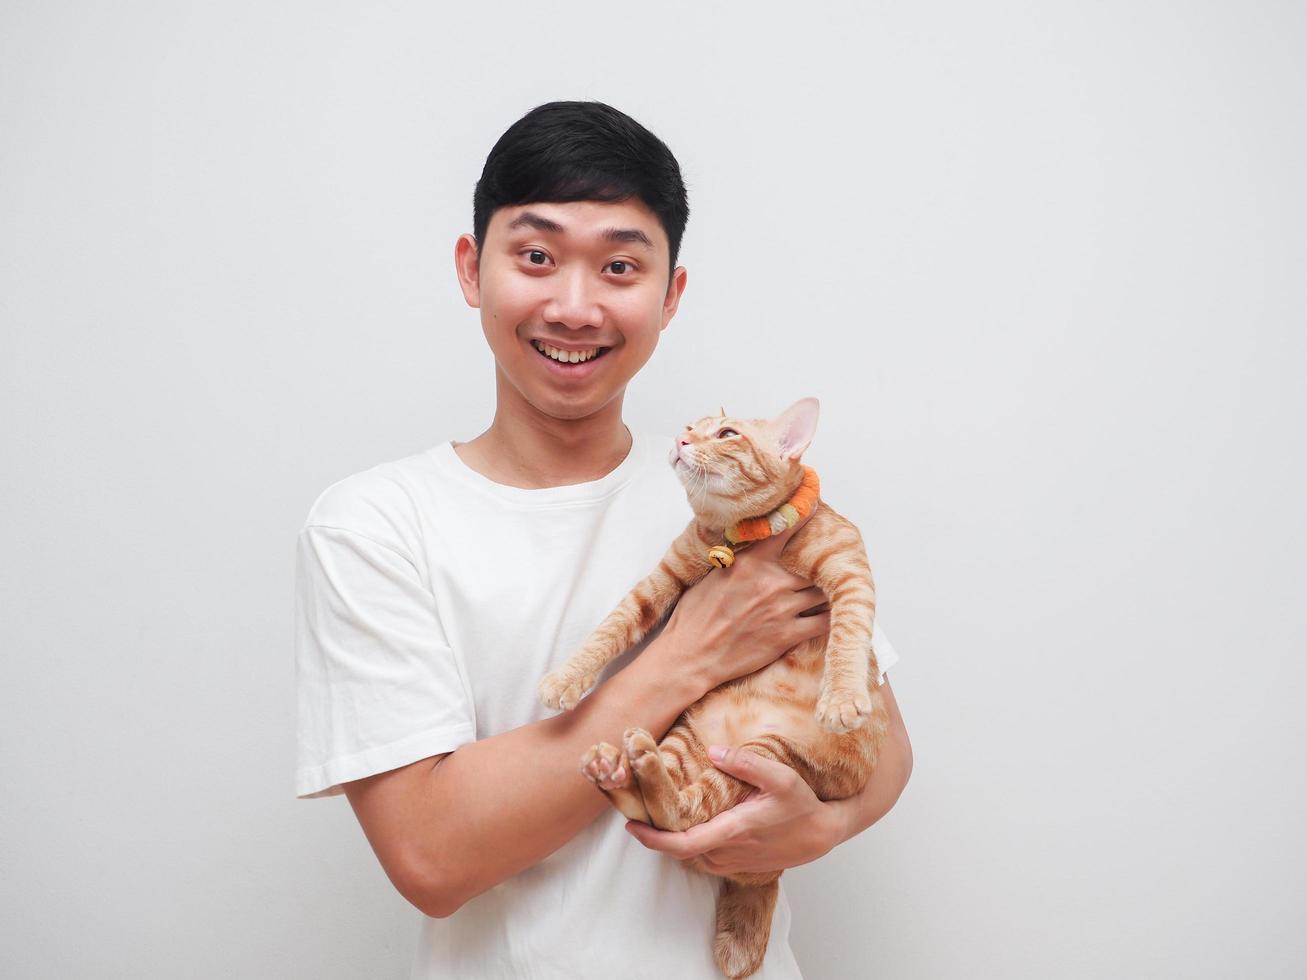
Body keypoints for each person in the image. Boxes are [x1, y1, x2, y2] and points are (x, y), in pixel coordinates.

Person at [295, 100, 913, 979]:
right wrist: (689, 658)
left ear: (670, 295)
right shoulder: (376, 523)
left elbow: (884, 750)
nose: (575, 306)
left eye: (619, 265)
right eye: (537, 256)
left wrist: (829, 824)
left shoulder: (740, 503)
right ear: (473, 269)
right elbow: (431, 859)